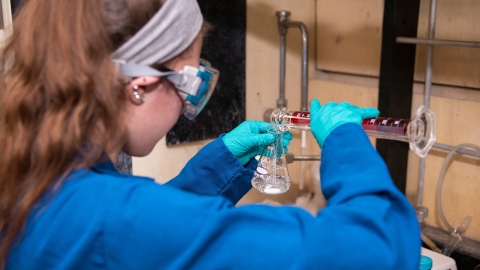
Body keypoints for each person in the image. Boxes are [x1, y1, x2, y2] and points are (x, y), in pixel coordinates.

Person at [0, 0, 421, 269]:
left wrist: (221, 163)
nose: (188, 106)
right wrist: (346, 140)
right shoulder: (112, 219)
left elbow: (146, 235)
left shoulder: (37, 174)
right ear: (141, 83)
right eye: (193, 82)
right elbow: (378, 249)